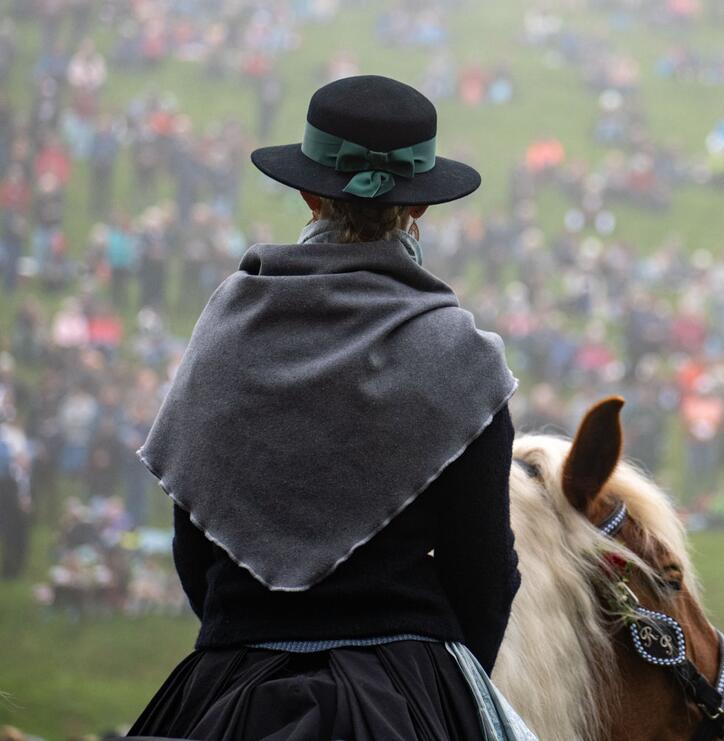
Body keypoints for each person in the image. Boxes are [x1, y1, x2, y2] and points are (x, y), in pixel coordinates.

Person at [129, 76, 529, 740]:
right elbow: (485, 573)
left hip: (231, 676)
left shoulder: (225, 330)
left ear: (309, 193)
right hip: (410, 681)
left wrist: (245, 631)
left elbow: (192, 544)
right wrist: (447, 691)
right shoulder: (460, 356)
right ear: (418, 207)